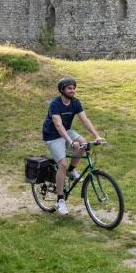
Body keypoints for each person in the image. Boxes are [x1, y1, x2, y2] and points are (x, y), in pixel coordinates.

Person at [42, 77, 104, 215]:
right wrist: (70, 141)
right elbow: (58, 125)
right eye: (70, 88)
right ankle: (60, 201)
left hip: (66, 132)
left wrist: (96, 136)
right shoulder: (55, 104)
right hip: (52, 135)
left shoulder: (75, 103)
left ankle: (71, 170)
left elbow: (85, 120)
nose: (73, 91)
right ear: (62, 90)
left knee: (83, 144)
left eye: (74, 88)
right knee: (62, 164)